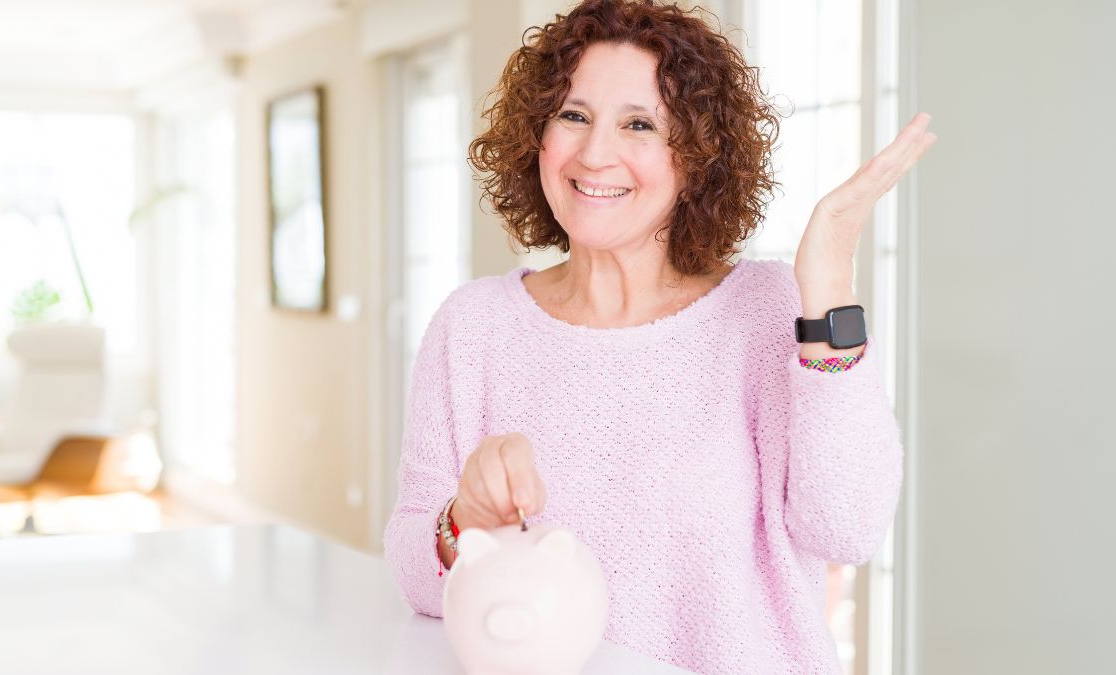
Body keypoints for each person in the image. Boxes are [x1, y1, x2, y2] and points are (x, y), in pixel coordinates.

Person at [383, 0, 935, 672]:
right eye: (573, 115)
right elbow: (418, 578)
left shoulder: (762, 309)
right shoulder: (473, 327)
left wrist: (826, 288)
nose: (594, 152)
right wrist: (465, 515)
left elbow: (847, 526)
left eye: (638, 123)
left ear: (697, 157)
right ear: (538, 134)